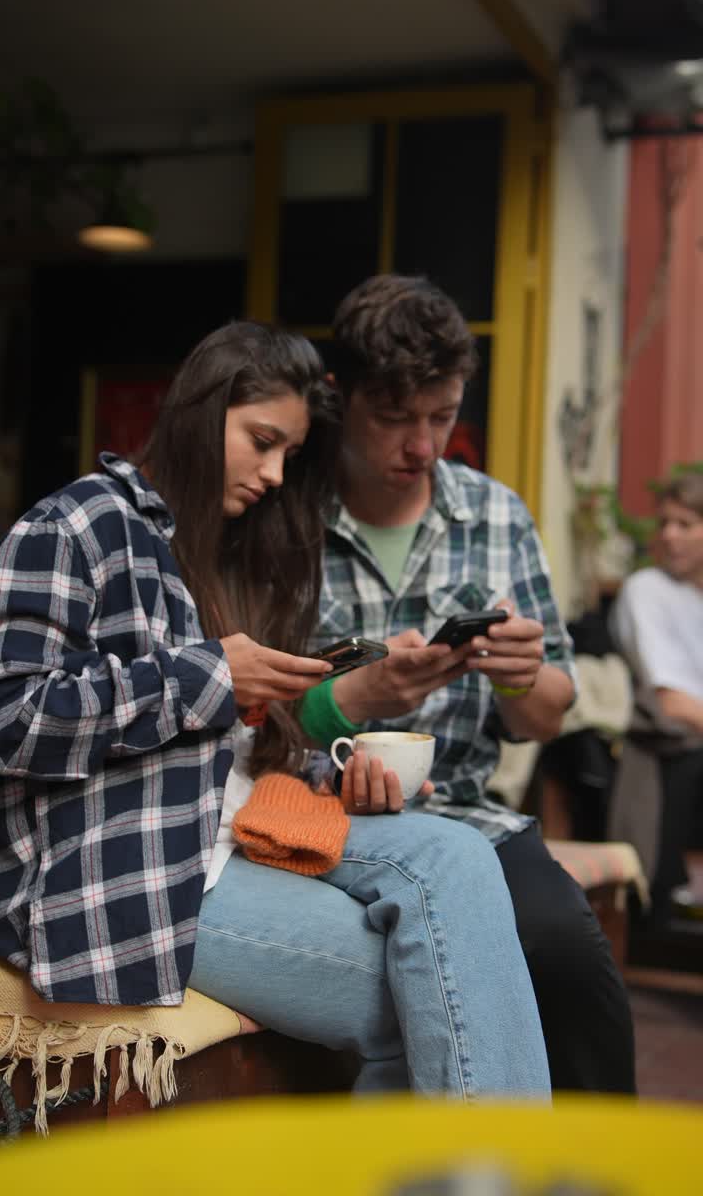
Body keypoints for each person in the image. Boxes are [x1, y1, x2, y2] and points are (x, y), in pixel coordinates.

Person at [0, 321, 550, 1100]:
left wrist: (329, 773)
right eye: (262, 441)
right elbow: (5, 720)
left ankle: (485, 1160)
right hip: (131, 865)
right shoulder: (76, 526)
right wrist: (211, 675)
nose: (276, 473)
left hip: (238, 827)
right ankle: (492, 1163)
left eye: (290, 452)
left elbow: (228, 748)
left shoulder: (224, 547)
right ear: (199, 410)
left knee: (461, 854)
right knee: (432, 993)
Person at [298, 273, 636, 1094]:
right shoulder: (286, 515)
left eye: (442, 417)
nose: (423, 445)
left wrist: (522, 678)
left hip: (461, 812)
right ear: (341, 398)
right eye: (395, 418)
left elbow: (547, 717)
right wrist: (363, 696)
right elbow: (250, 708)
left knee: (569, 952)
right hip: (311, 819)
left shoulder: (495, 515)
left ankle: (592, 1160)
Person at [609, 472, 703, 922]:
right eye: (665, 523)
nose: (669, 535)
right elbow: (669, 703)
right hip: (669, 742)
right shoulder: (647, 589)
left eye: (686, 524)